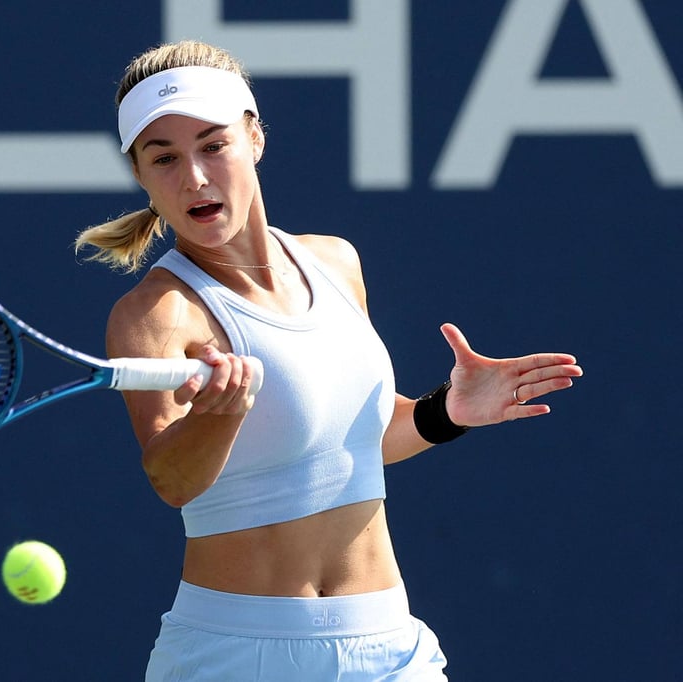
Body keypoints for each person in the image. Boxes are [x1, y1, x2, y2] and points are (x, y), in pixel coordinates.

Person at [75, 40, 582, 681]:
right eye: (164, 158)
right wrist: (220, 416)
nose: (195, 178)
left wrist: (444, 413)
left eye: (213, 145)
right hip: (238, 654)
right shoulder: (155, 315)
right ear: (141, 176)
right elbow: (172, 480)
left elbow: (348, 444)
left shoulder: (336, 262)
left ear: (254, 138)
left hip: (389, 646)